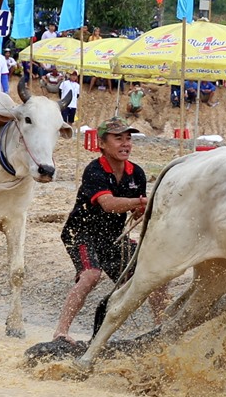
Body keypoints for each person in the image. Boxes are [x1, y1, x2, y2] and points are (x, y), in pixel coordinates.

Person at [53, 117, 168, 343]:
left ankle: (163, 328)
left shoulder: (137, 173)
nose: (125, 144)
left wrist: (143, 210)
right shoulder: (94, 170)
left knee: (155, 274)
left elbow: (137, 211)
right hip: (81, 233)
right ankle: (61, 331)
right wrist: (141, 202)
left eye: (128, 138)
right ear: (102, 144)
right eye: (118, 138)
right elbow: (109, 204)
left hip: (113, 237)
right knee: (90, 275)